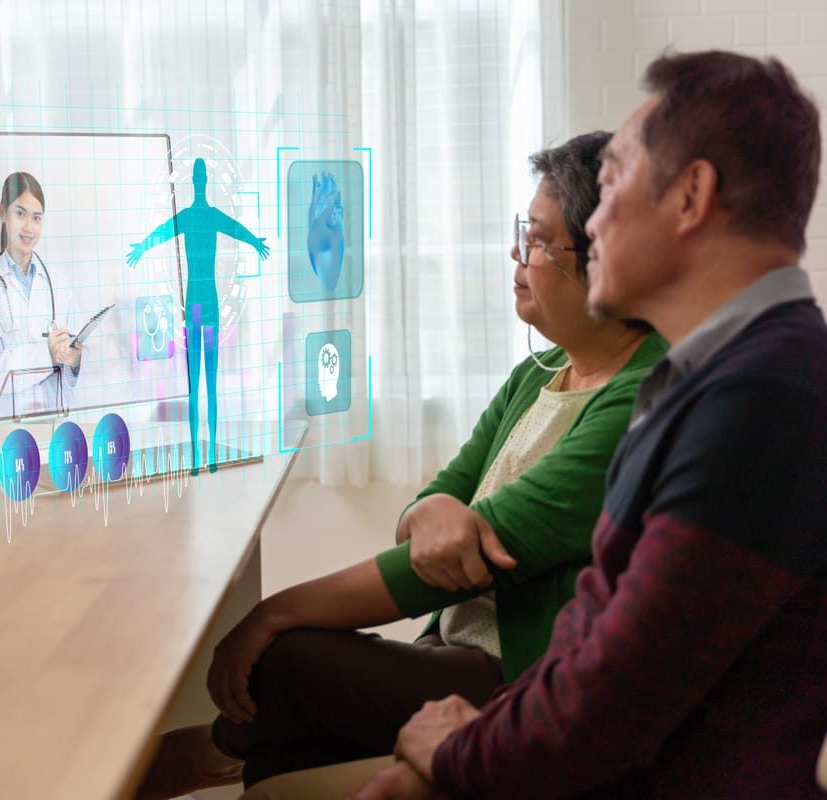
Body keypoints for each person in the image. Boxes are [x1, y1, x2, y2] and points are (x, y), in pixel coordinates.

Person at [327, 49, 827, 800]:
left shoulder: (765, 398)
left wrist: (458, 758)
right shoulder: (702, 379)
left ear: (691, 196)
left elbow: (618, 694)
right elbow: (589, 632)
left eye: (615, 179)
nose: (592, 222)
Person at [132, 131, 667, 799]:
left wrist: (272, 613)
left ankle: (212, 753)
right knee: (284, 754)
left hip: (517, 680)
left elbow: (452, 565)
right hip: (450, 650)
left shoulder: (643, 397)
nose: (515, 253)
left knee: (286, 655)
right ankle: (234, 760)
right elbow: (433, 507)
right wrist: (435, 511)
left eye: (536, 240)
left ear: (604, 264)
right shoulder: (538, 375)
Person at [126, 157, 270, 474]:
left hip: (204, 304)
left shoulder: (199, 216)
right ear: (197, 182)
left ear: (199, 181)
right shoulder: (193, 216)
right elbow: (163, 232)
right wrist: (141, 247)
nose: (202, 181)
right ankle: (196, 457)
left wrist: (255, 241)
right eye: (200, 177)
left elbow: (236, 230)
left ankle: (209, 457)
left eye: (202, 177)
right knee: (197, 387)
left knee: (210, 385)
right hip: (197, 304)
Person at [0, 172, 82, 418]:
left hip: (57, 422)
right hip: (11, 426)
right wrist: (46, 354)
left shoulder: (58, 284)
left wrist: (74, 358)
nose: (29, 227)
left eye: (36, 218)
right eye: (20, 214)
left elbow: (78, 370)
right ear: (2, 213)